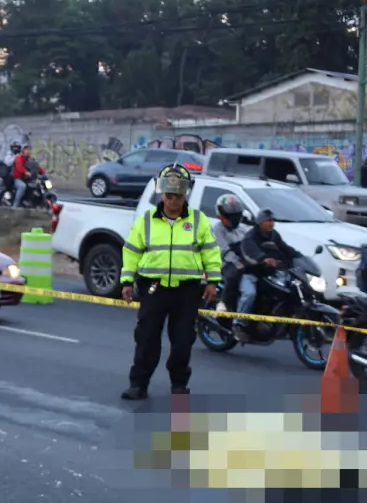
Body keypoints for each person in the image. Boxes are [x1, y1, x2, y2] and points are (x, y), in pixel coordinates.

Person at [120, 163, 222, 399]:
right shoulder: (147, 221)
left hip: (187, 291)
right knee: (146, 338)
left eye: (178, 195)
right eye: (169, 195)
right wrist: (127, 281)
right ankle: (138, 385)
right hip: (153, 287)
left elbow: (210, 252)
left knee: (183, 341)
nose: (173, 200)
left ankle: (179, 385)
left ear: (186, 194)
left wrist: (212, 281)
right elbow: (132, 251)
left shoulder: (199, 221)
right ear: (161, 193)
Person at [233, 208, 302, 342]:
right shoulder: (250, 236)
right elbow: (250, 252)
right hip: (250, 272)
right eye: (268, 220)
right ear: (260, 222)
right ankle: (239, 324)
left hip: (268, 274)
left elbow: (284, 248)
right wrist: (263, 258)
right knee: (250, 294)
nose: (271, 223)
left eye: (272, 220)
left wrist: (299, 257)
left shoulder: (273, 235)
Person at [210, 192, 247, 316]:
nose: (235, 219)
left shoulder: (242, 229)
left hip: (242, 260)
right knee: (234, 273)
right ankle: (223, 302)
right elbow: (223, 250)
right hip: (225, 262)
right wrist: (237, 262)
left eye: (237, 216)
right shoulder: (217, 230)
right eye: (232, 216)